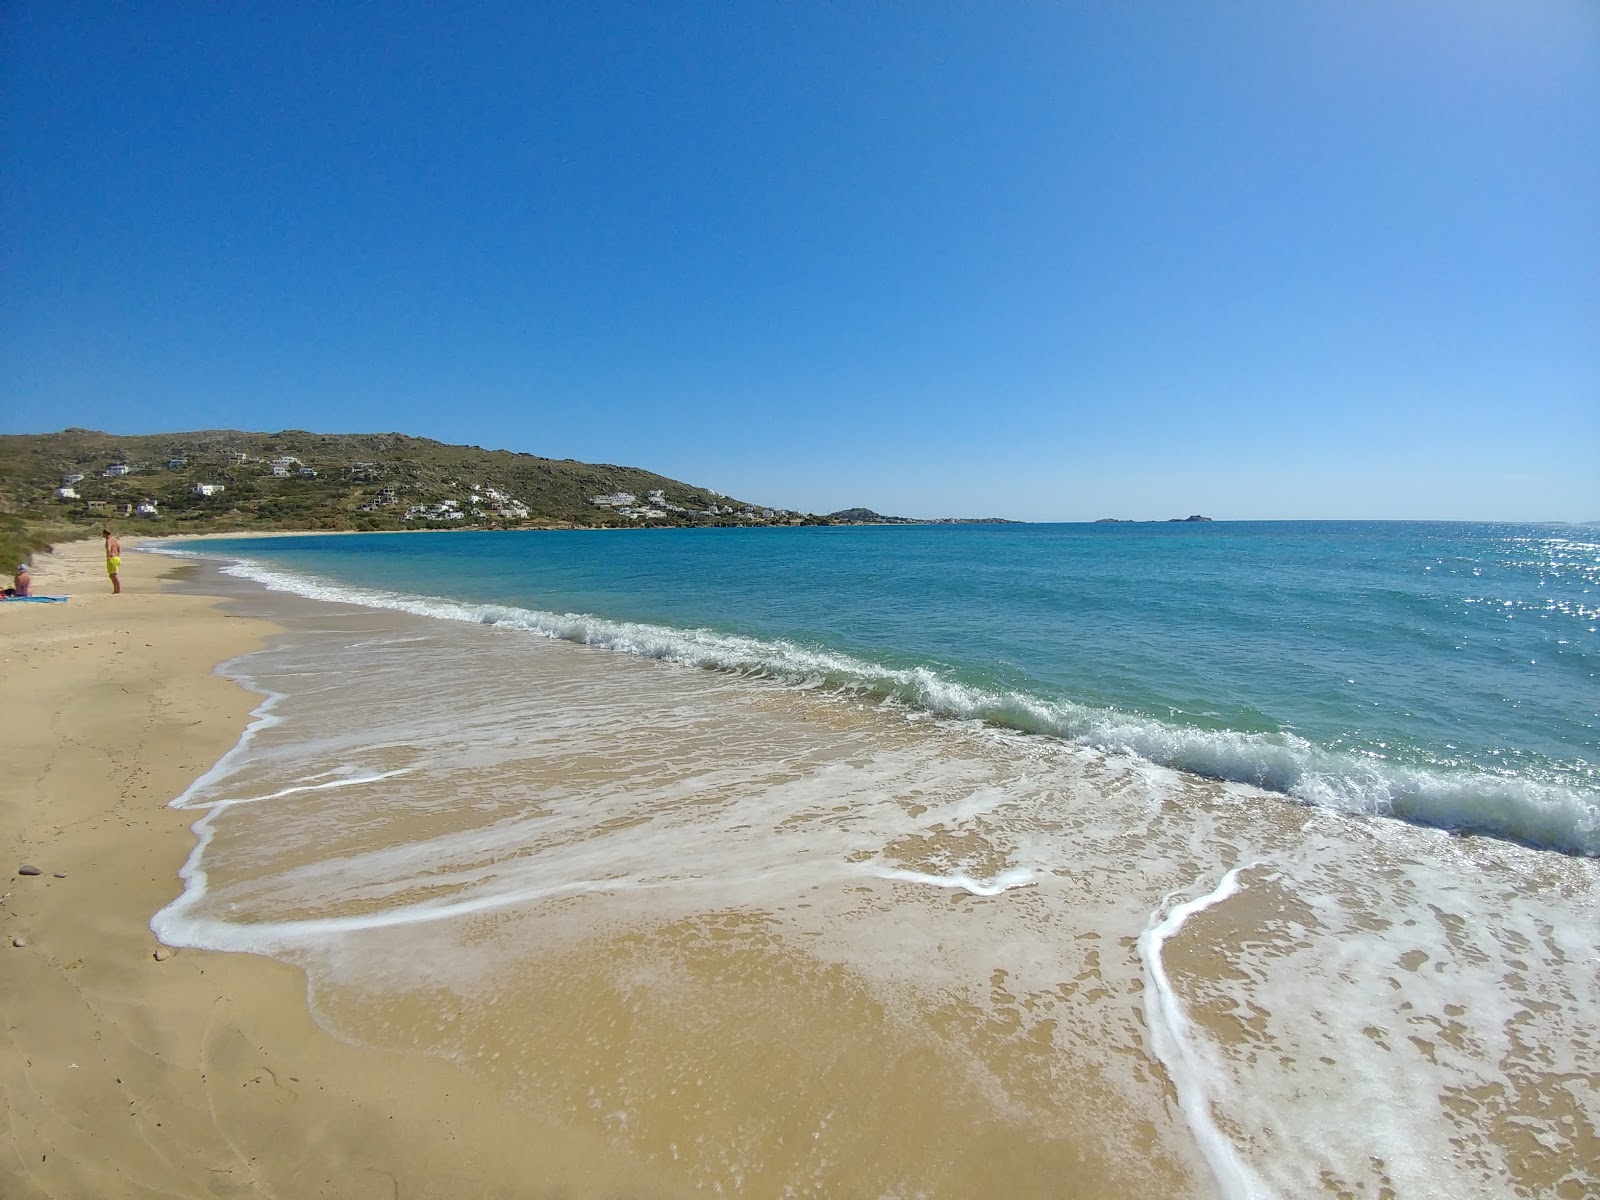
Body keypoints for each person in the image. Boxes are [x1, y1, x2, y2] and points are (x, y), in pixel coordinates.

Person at [103, 527, 121, 594]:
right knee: (111, 575)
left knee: (114, 575)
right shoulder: (114, 539)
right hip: (116, 558)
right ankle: (115, 589)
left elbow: (108, 549)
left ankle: (118, 590)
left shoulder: (109, 540)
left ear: (105, 534)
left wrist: (108, 557)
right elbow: (119, 547)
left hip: (112, 558)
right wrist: (118, 554)